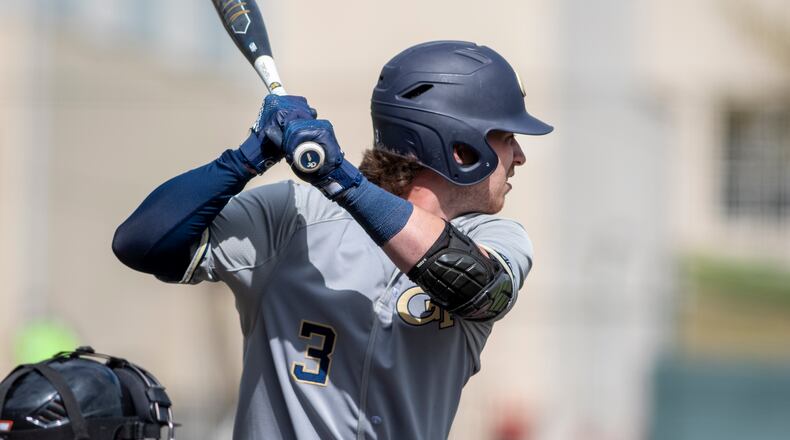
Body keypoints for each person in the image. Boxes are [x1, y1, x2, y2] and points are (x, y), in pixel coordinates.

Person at [112, 40, 552, 440]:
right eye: (507, 137)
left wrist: (341, 180)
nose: (519, 156)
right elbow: (142, 243)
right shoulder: (295, 216)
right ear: (461, 148)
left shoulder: (495, 236)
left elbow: (480, 287)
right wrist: (250, 156)